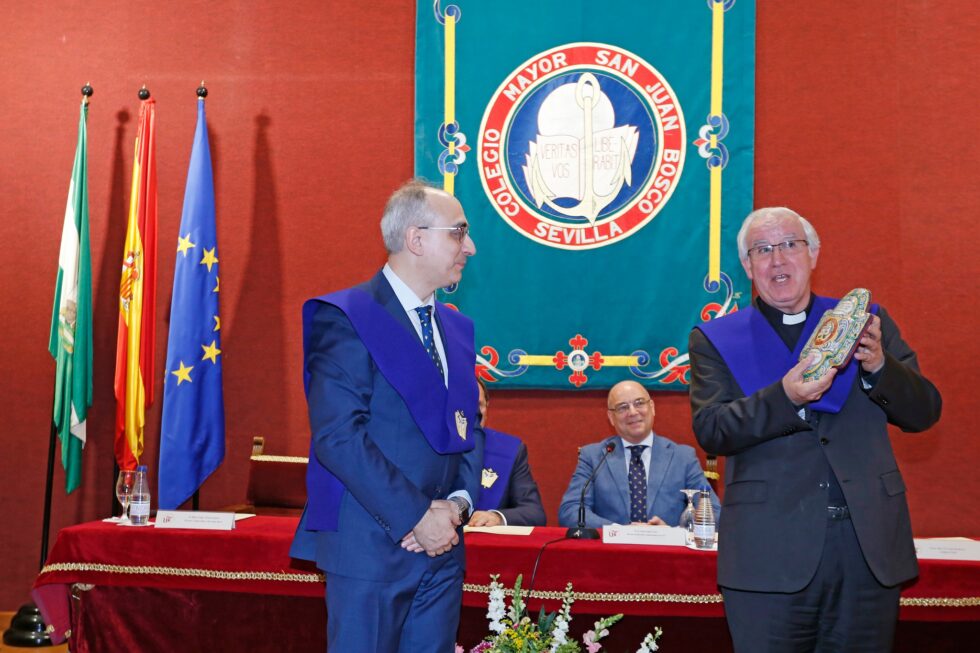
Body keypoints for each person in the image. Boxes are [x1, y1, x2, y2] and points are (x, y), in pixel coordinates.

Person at [688, 206, 942, 652]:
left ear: (814, 254)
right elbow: (712, 430)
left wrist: (880, 367)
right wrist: (785, 396)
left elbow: (924, 413)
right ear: (747, 265)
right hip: (768, 555)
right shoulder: (716, 340)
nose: (778, 259)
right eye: (762, 250)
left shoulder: (866, 324)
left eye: (790, 244)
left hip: (866, 549)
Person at [290, 180, 481, 652]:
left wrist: (457, 507)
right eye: (459, 233)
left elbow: (469, 428)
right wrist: (416, 516)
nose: (470, 247)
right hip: (370, 549)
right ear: (415, 239)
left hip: (443, 549)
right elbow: (339, 436)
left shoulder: (457, 329)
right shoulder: (347, 316)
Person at [558, 380, 720, 528]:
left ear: (652, 407)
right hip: (612, 549)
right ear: (611, 417)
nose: (632, 412)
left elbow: (714, 512)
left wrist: (672, 534)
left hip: (667, 549)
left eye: (639, 403)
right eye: (622, 407)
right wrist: (618, 531)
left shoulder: (683, 457)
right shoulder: (593, 456)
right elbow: (570, 511)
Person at [467, 378, 546, 527]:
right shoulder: (429, 450)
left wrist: (497, 517)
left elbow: (534, 513)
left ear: (487, 408)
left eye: (479, 405)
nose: (474, 413)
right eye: (465, 405)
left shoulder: (509, 449)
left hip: (487, 540)